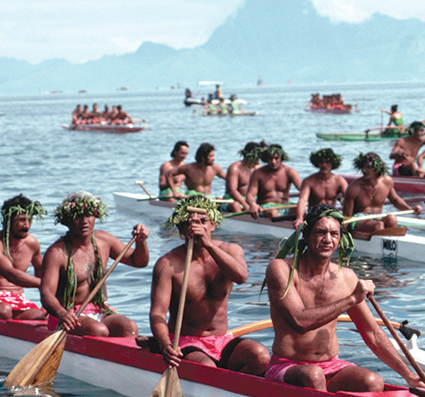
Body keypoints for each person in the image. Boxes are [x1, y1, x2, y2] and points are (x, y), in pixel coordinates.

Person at [263, 204, 425, 392]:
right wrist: (351, 299)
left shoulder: (346, 277)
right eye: (320, 232)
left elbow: (373, 334)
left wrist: (410, 376)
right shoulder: (281, 269)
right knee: (313, 375)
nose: (327, 239)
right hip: (286, 366)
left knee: (373, 381)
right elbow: (299, 321)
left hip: (331, 366)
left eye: (334, 234)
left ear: (341, 238)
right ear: (306, 235)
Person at [149, 196, 269, 376]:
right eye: (189, 223)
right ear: (182, 229)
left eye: (203, 221)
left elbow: (241, 277)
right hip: (185, 343)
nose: (197, 227)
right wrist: (165, 345)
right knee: (207, 367)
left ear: (212, 224)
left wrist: (207, 245)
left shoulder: (231, 250)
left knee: (261, 356)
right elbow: (157, 313)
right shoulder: (168, 264)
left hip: (222, 340)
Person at [40, 192, 149, 337]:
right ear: (66, 220)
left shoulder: (104, 240)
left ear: (96, 215)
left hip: (99, 310)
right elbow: (46, 293)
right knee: (98, 330)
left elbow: (139, 262)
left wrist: (141, 242)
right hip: (68, 316)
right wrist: (62, 313)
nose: (84, 221)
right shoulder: (57, 252)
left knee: (129, 326)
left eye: (89, 215)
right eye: (78, 216)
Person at [0, 195, 46, 320]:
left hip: (18, 299)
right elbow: (11, 274)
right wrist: (46, 284)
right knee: (4, 310)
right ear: (8, 219)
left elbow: (43, 272)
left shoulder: (32, 244)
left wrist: (47, 303)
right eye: (22, 220)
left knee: (39, 317)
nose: (26, 225)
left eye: (29, 220)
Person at [342, 152, 421, 233]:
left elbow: (395, 200)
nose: (364, 170)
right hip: (358, 220)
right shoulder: (354, 187)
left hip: (377, 217)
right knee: (378, 225)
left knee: (392, 219)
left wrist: (410, 209)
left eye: (368, 167)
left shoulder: (387, 181)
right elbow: (346, 216)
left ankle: (389, 241)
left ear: (378, 167)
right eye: (363, 167)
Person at [293, 148, 349, 228]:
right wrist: (299, 218)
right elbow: (302, 200)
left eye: (327, 162)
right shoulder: (309, 181)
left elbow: (348, 200)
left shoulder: (339, 181)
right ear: (317, 163)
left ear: (333, 164)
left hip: (332, 215)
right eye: (321, 162)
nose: (324, 165)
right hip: (314, 216)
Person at [246, 144, 303, 219]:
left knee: (299, 210)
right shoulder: (258, 173)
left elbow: (304, 190)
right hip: (266, 208)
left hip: (285, 206)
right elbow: (250, 194)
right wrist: (253, 204)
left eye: (276, 158)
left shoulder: (290, 171)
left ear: (281, 159)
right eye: (270, 158)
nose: (273, 162)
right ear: (267, 159)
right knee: (273, 212)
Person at [223, 141, 263, 213]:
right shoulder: (235, 167)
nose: (259, 159)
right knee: (236, 205)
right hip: (232, 200)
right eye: (257, 156)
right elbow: (232, 191)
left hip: (251, 200)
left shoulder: (259, 169)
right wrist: (245, 205)